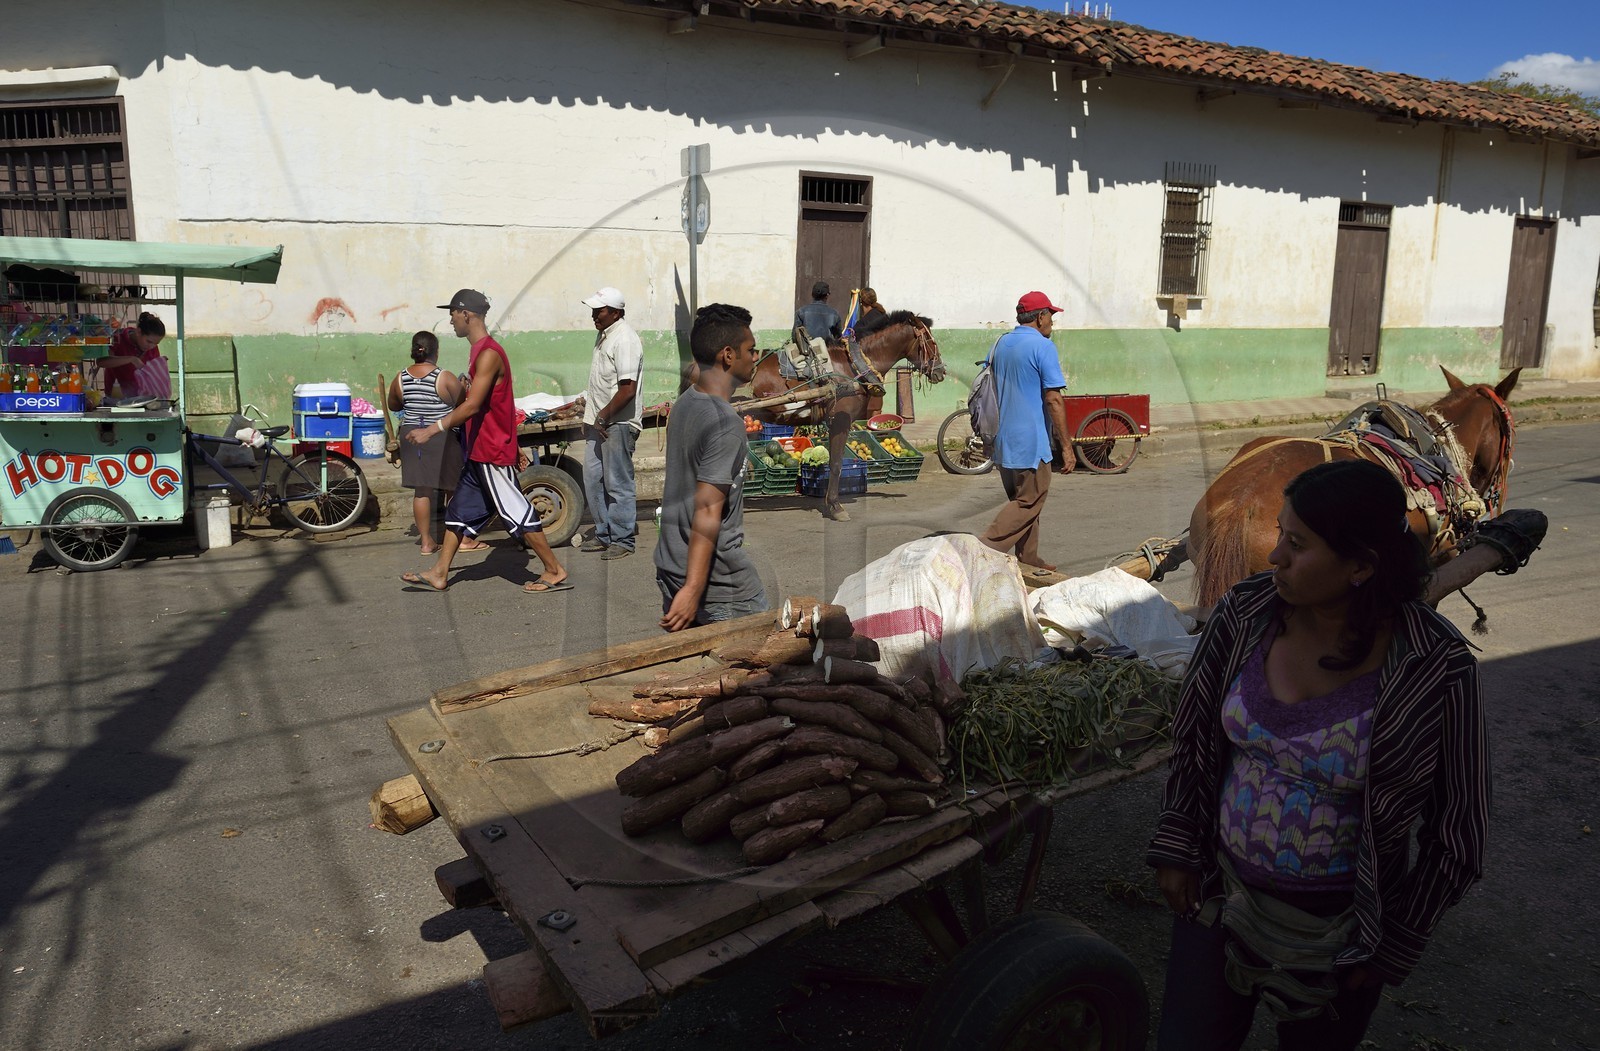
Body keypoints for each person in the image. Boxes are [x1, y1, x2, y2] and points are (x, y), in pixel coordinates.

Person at [1146, 459, 1488, 1051]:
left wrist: (1392, 944)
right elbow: (1195, 733)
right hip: (1219, 900)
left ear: (1361, 565)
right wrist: (1179, 845)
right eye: (1281, 533)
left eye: (1297, 544)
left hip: (1341, 935)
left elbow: (1458, 833)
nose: (1275, 556)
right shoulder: (1244, 613)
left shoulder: (1436, 667)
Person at [400, 289, 568, 594]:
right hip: (479, 450)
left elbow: (474, 405)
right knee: (460, 512)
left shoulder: (489, 352)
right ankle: (439, 572)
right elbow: (485, 403)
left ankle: (554, 570)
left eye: (453, 312)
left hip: (491, 450)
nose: (450, 319)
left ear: (467, 314)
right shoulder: (479, 351)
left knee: (515, 511)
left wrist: (431, 429)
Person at [654, 303, 769, 631]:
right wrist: (693, 589)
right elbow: (707, 509)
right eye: (751, 349)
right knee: (756, 674)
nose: (756, 356)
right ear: (728, 355)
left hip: (673, 567)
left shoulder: (687, 402)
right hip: (721, 586)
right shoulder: (724, 423)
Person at [979, 291, 1070, 573]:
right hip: (1032, 442)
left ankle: (1028, 557)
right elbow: (1053, 399)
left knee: (1023, 500)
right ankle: (983, 551)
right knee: (1029, 501)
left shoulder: (1000, 343)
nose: (1052, 324)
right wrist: (1066, 445)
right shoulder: (1043, 347)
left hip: (1003, 440)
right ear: (1041, 316)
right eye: (1051, 317)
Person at [578, 286, 644, 560]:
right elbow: (601, 384)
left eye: (600, 311)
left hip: (617, 422)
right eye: (593, 310)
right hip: (600, 421)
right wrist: (590, 414)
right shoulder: (605, 336)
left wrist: (603, 414)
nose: (594, 315)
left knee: (617, 483)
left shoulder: (625, 339)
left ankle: (623, 539)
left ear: (616, 312)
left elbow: (627, 389)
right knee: (593, 479)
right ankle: (605, 532)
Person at [387, 330, 466, 555]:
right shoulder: (444, 377)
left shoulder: (400, 378)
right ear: (436, 351)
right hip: (440, 434)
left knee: (422, 491)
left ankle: (426, 542)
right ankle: (457, 539)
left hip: (411, 435)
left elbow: (394, 405)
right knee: (452, 488)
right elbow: (462, 403)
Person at [99, 311, 166, 397]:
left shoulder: (153, 348)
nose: (151, 346)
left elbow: (154, 375)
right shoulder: (118, 338)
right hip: (116, 396)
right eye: (149, 341)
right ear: (138, 332)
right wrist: (132, 359)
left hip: (143, 397)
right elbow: (101, 362)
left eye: (156, 344)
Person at [793, 280, 842, 345]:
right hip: (827, 352)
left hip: (808, 351)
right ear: (827, 295)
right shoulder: (835, 314)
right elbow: (838, 337)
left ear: (812, 294)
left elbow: (795, 336)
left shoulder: (801, 311)